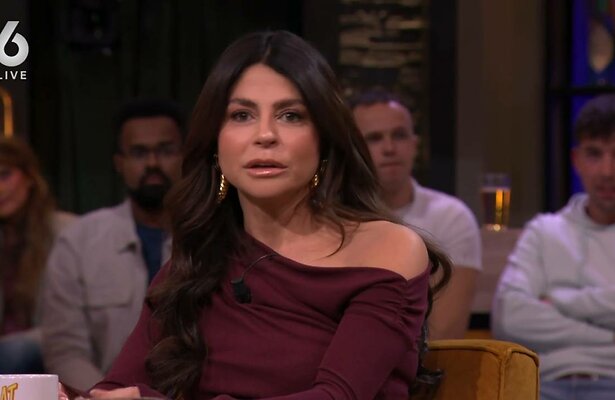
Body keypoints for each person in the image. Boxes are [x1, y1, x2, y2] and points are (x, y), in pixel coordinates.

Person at [59, 30, 452, 400]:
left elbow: (335, 397)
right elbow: (120, 388)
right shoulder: (197, 263)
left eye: (290, 115)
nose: (265, 135)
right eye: (241, 115)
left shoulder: (387, 250)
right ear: (216, 144)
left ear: (324, 139)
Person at [41, 99, 185, 390]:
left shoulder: (215, 238)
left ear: (185, 157)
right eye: (139, 152)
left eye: (165, 151)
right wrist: (111, 395)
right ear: (119, 163)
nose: (153, 163)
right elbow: (65, 350)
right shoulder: (78, 242)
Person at [492, 94, 615, 400]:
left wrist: (559, 300)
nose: (607, 171)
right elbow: (509, 317)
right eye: (594, 154)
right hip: (543, 386)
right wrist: (606, 337)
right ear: (576, 160)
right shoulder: (544, 232)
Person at [350, 90, 481, 340]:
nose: (389, 148)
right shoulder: (331, 217)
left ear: (414, 144)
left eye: (399, 135)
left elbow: (445, 334)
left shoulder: (451, 217)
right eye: (374, 138)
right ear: (352, 149)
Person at [0, 137, 75, 373]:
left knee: (14, 352)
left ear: (30, 177)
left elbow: (71, 320)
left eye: (4, 175)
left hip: (51, 340)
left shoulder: (68, 231)